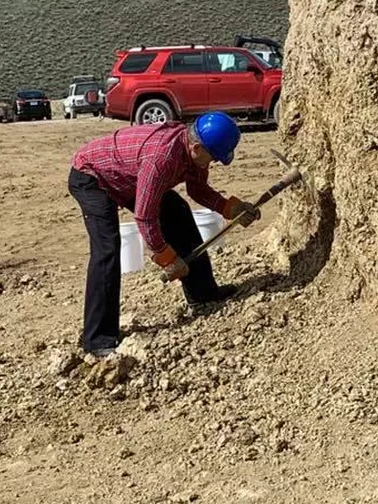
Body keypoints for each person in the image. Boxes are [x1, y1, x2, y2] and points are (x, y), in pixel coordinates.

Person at [68, 112, 260, 357]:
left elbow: (198, 189)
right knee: (107, 248)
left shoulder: (193, 150)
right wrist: (167, 257)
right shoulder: (162, 158)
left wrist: (230, 208)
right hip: (92, 176)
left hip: (129, 175)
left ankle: (203, 294)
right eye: (212, 158)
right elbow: (144, 216)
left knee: (177, 211)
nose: (212, 163)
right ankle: (97, 339)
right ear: (197, 148)